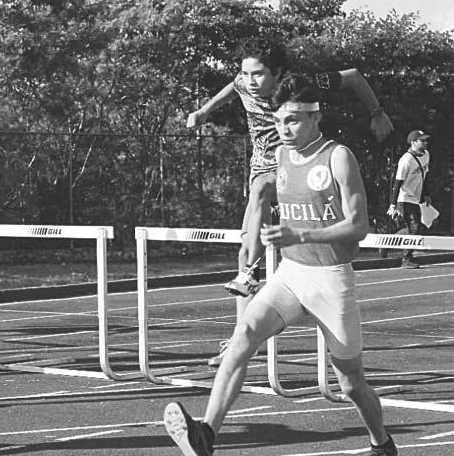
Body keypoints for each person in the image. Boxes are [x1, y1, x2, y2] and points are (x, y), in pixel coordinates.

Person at [164, 76, 397, 456]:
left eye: (292, 120)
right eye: (277, 121)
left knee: (351, 384)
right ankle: (206, 433)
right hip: (290, 274)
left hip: (330, 280)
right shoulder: (282, 155)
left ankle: (382, 444)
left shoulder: (338, 157)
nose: (283, 129)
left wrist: (301, 234)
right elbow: (264, 192)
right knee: (243, 335)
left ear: (315, 117)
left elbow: (359, 227)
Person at [186, 40, 393, 366]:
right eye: (245, 74)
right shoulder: (244, 81)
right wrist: (203, 111)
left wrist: (377, 113)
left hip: (297, 168)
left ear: (278, 73)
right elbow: (232, 87)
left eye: (258, 75)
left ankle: (264, 278)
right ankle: (242, 329)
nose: (250, 81)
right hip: (263, 169)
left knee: (270, 203)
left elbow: (353, 76)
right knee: (245, 249)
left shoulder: (302, 86)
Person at [386, 130, 432, 269]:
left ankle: (387, 243)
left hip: (416, 198)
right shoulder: (406, 160)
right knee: (415, 227)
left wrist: (426, 194)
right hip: (404, 198)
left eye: (426, 140)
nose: (425, 143)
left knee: (415, 227)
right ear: (413, 142)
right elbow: (397, 183)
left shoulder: (426, 155)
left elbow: (424, 177)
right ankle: (406, 259)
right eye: (422, 141)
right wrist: (393, 205)